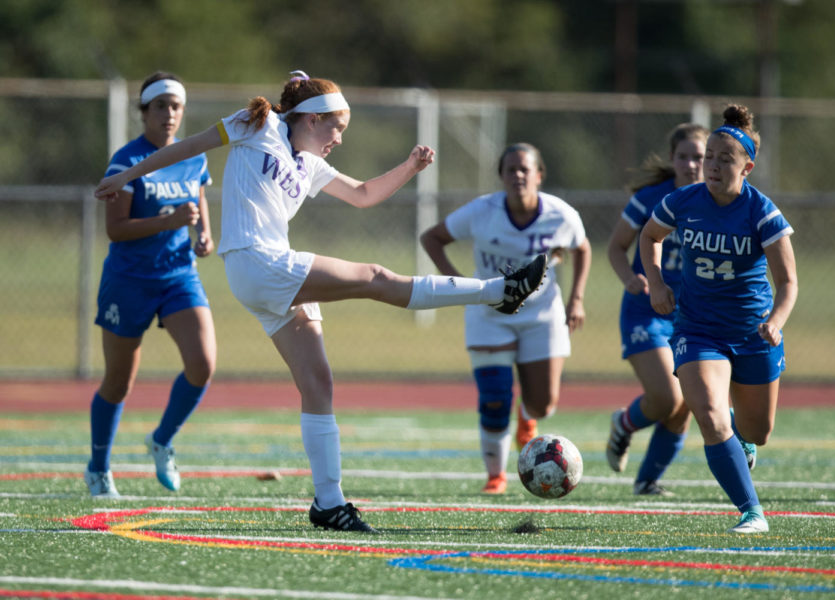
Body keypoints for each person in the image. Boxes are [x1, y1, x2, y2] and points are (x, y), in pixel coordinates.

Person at [94, 70, 548, 532]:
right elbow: (187, 147)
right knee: (375, 277)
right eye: (337, 128)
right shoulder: (260, 124)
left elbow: (365, 195)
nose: (339, 139)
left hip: (265, 272)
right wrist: (127, 175)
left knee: (318, 383)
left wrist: (410, 167)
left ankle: (329, 505)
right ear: (311, 120)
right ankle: (498, 291)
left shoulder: (309, 163)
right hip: (257, 262)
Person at [639, 104, 798, 533]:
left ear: (747, 166)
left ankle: (742, 439)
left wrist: (776, 321)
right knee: (710, 416)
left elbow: (788, 283)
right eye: (709, 156)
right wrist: (656, 282)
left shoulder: (761, 212)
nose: (711, 165)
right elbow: (648, 235)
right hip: (698, 328)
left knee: (757, 432)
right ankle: (752, 512)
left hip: (752, 333)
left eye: (724, 159)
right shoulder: (682, 201)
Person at [420, 143, 591, 495]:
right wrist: (462, 287)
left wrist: (577, 299)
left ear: (539, 175)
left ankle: (528, 419)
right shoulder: (482, 211)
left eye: (525, 169)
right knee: (495, 397)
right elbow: (432, 238)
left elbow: (583, 247)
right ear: (500, 176)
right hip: (489, 314)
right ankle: (495, 476)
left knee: (543, 401)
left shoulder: (560, 214)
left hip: (542, 313)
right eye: (510, 169)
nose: (517, 175)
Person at [85, 72, 216, 499]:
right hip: (130, 282)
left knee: (203, 364)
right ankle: (99, 468)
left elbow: (197, 197)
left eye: (176, 106)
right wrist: (168, 221)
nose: (169, 114)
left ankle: (161, 440)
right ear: (144, 112)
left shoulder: (193, 155)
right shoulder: (127, 161)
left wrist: (203, 233)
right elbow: (115, 229)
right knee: (119, 382)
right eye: (160, 106)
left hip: (178, 275)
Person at [605, 123, 707, 496]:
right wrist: (629, 279)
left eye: (700, 157)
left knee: (686, 406)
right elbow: (616, 247)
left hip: (693, 318)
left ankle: (647, 480)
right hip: (646, 311)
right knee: (667, 397)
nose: (692, 164)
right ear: (672, 159)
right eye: (684, 156)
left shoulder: (720, 202)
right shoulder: (650, 198)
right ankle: (624, 424)